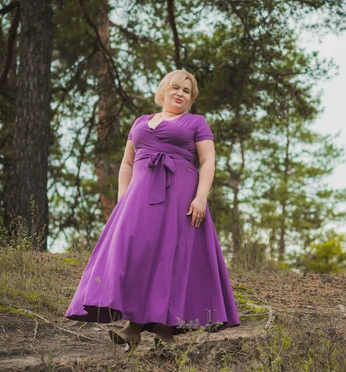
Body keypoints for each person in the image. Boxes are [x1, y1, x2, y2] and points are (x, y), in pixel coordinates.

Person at [65, 70, 240, 350]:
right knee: (137, 255)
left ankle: (165, 329)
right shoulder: (141, 122)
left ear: (191, 98)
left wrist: (200, 198)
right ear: (163, 91)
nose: (180, 93)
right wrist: (123, 199)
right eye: (175, 87)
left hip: (181, 198)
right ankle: (132, 327)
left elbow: (207, 162)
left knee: (173, 256)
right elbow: (126, 163)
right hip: (139, 197)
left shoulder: (196, 122)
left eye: (186, 90)